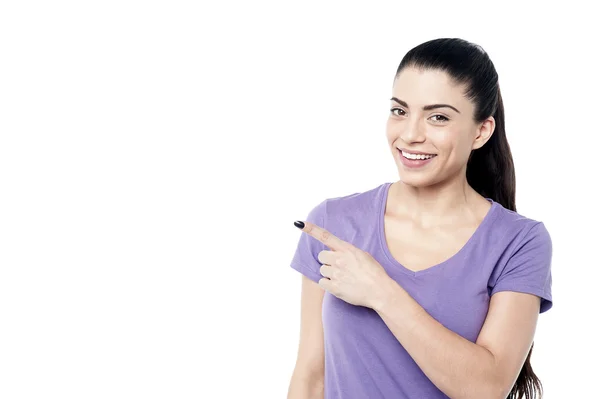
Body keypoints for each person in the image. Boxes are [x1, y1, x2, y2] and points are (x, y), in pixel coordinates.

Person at [286, 38, 553, 399]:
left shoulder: (518, 241)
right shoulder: (333, 223)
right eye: (399, 111)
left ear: (481, 131)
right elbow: (310, 377)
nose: (410, 135)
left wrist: (381, 292)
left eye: (438, 117)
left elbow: (487, 388)